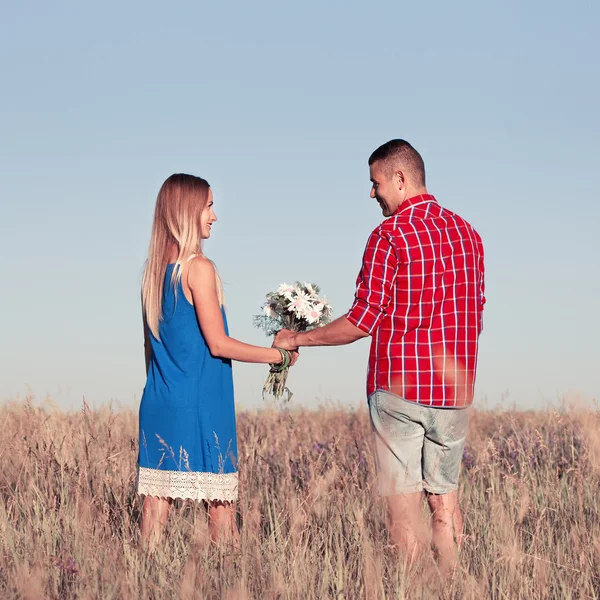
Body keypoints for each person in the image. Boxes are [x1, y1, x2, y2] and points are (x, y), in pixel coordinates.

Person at [275, 140, 485, 573]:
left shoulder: (389, 236)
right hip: (455, 393)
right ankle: (453, 585)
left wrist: (299, 339)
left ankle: (411, 589)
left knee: (402, 509)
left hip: (399, 390)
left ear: (401, 178)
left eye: (376, 183)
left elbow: (362, 321)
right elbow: (475, 316)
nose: (373, 194)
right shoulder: (469, 234)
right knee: (445, 502)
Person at [138, 173, 297, 547]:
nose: (214, 216)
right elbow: (219, 344)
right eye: (209, 206)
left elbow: (151, 350)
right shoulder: (199, 268)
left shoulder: (152, 274)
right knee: (222, 516)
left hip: (159, 401)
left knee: (154, 512)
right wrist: (278, 356)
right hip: (202, 403)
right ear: (188, 211)